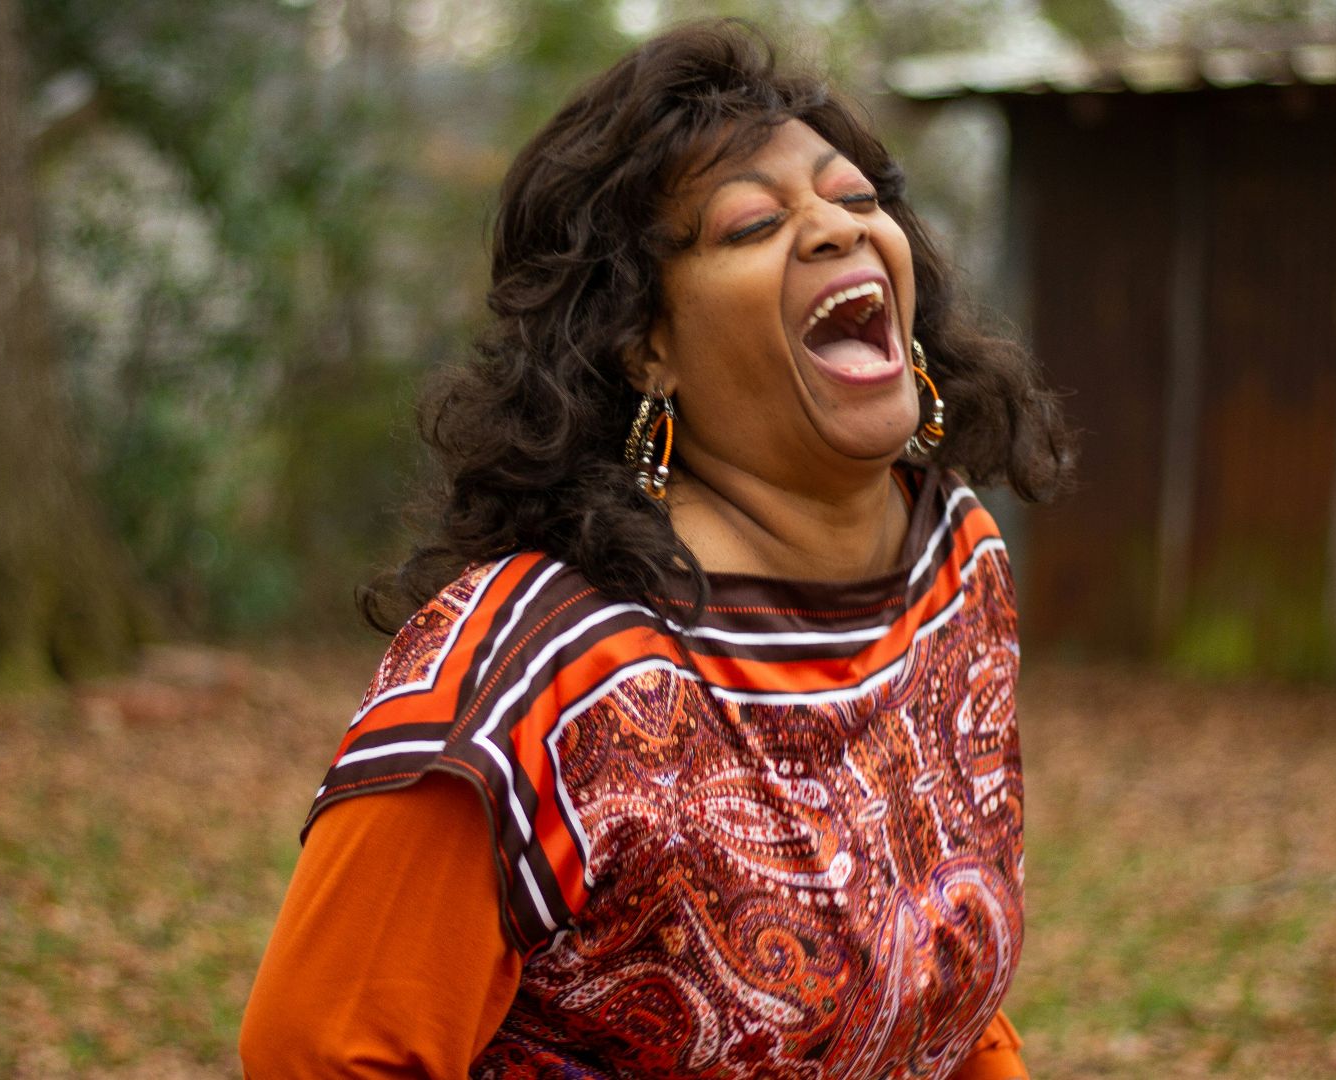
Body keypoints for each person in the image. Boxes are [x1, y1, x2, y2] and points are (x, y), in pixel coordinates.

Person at [240, 18, 1073, 1079]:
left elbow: (950, 1013)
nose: (836, 229)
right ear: (645, 345)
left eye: (859, 199)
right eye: (752, 224)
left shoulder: (957, 567)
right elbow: (319, 1055)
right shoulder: (535, 683)